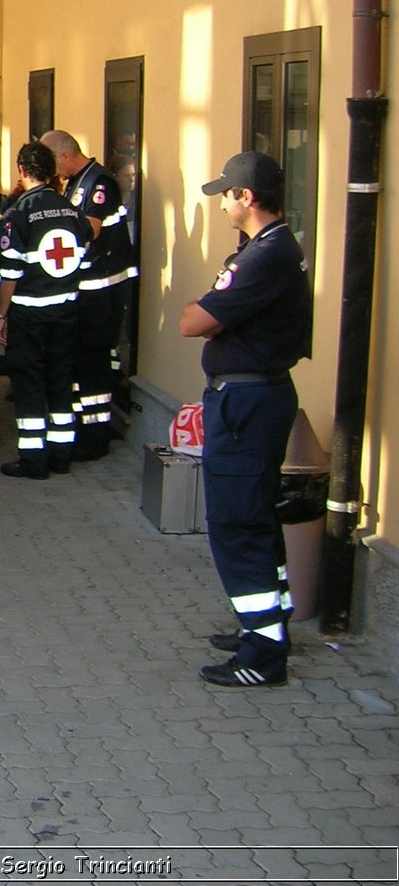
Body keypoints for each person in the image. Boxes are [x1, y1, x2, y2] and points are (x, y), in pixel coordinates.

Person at [180, 152, 309, 688]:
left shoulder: (262, 257)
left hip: (247, 404)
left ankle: (263, 653)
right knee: (256, 516)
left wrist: (203, 310)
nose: (224, 204)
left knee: (237, 524)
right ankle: (268, 622)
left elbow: (193, 321)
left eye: (228, 195)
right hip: (255, 398)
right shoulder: (269, 249)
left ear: (247, 198)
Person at [0, 142, 92, 480]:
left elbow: (10, 273)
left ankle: (34, 460)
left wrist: (1, 315)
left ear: (22, 171)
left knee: (30, 384)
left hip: (29, 314)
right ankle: (62, 454)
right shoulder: (69, 208)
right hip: (66, 309)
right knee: (61, 381)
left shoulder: (17, 214)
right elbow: (87, 241)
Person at [41, 129, 138, 461]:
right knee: (83, 363)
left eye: (53, 164)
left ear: (64, 156)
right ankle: (86, 428)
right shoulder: (76, 181)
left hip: (103, 289)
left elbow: (91, 228)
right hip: (87, 289)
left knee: (94, 363)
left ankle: (96, 439)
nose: (53, 173)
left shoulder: (99, 183)